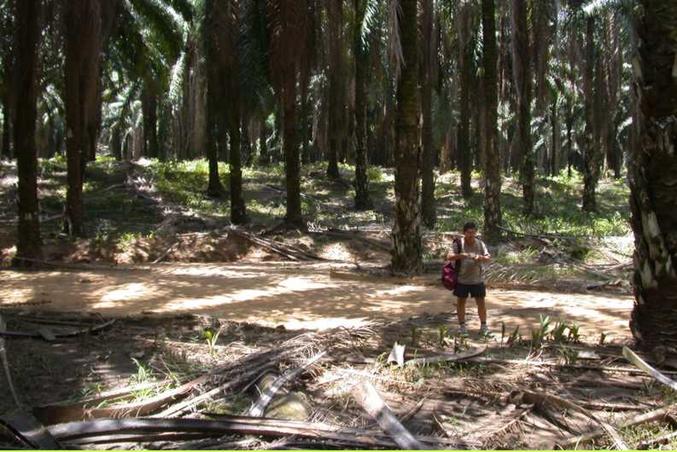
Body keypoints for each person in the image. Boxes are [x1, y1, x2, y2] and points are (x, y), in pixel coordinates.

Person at [446, 221, 491, 336]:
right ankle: (462, 327)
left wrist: (479, 257)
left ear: (476, 232)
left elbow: (488, 257)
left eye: (473, 232)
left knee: (481, 303)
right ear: (464, 233)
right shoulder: (458, 244)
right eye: (468, 232)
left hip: (477, 279)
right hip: (462, 279)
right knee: (461, 303)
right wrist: (462, 255)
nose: (471, 234)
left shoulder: (480, 244)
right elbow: (449, 256)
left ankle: (484, 326)